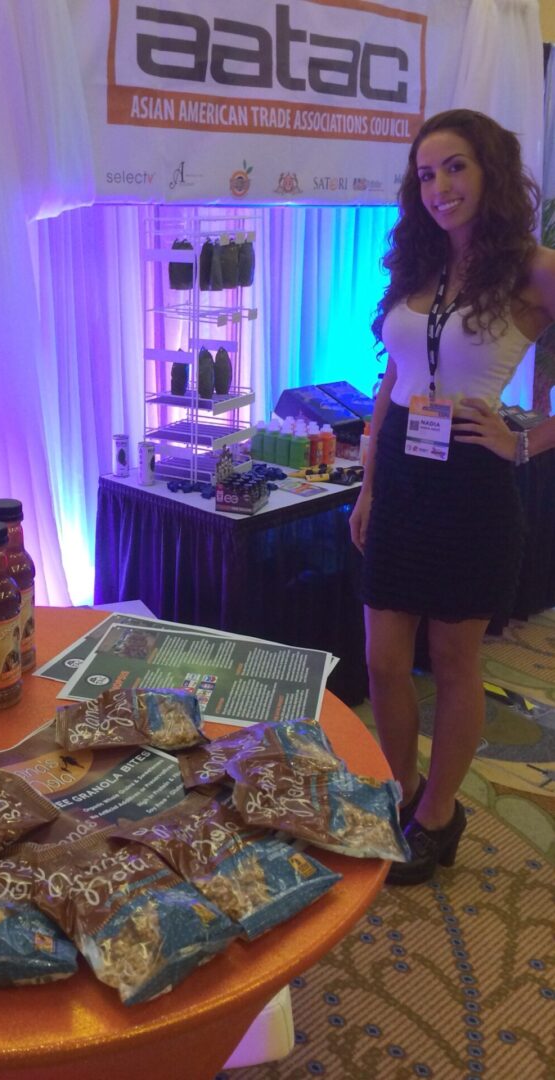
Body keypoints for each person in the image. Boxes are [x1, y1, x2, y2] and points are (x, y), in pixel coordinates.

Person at [349, 109, 555, 886]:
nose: (439, 187)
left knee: (454, 660)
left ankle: (438, 812)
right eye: (426, 174)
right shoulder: (418, 265)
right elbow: (393, 379)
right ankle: (396, 791)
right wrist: (368, 484)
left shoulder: (533, 268)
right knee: (381, 659)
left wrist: (524, 440)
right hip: (401, 472)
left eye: (456, 167)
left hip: (473, 481)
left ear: (491, 171)